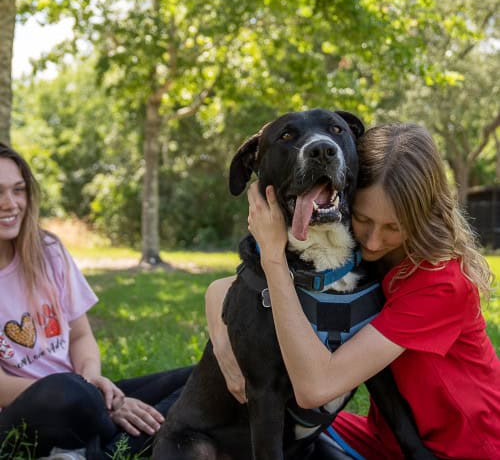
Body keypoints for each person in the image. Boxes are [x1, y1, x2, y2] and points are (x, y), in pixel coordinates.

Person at [206, 122, 500, 459]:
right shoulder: (370, 259)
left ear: (425, 215)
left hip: (462, 449)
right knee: (224, 392)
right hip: (380, 441)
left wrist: (273, 256)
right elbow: (225, 289)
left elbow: (315, 388)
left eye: (394, 226)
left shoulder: (440, 283)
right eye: (363, 219)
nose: (374, 240)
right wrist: (221, 335)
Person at [0, 142, 191, 460]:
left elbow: (80, 335)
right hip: (30, 410)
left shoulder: (48, 250)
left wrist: (95, 384)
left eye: (18, 190)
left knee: (203, 376)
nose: (10, 203)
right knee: (65, 392)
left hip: (83, 389)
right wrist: (93, 397)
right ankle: (112, 443)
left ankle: (86, 451)